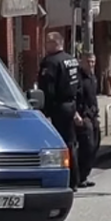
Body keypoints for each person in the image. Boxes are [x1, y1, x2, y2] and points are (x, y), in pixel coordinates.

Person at [38, 31, 82, 189]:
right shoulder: (72, 60)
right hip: (71, 105)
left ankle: (64, 179)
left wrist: (45, 112)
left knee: (57, 145)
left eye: (47, 42)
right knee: (71, 143)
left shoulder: (50, 62)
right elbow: (78, 86)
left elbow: (48, 89)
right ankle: (75, 179)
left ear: (54, 43)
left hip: (58, 108)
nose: (45, 45)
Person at [75, 50, 101, 188]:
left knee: (96, 143)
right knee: (87, 145)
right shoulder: (78, 78)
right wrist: (76, 114)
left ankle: (85, 175)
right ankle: (79, 177)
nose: (91, 64)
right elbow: (74, 98)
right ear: (82, 62)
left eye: (93, 62)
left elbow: (93, 98)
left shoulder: (92, 77)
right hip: (82, 115)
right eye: (88, 61)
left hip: (92, 115)